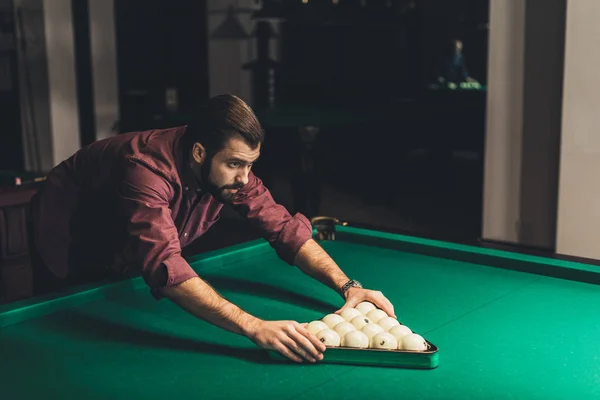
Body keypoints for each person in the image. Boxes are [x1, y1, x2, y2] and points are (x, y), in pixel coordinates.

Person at [29, 94, 396, 363]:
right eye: (235, 164)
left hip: (123, 247)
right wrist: (255, 326)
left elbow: (284, 228)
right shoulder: (144, 169)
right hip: (68, 237)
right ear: (200, 153)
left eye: (250, 165)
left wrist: (348, 286)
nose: (245, 178)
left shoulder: (232, 172)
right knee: (68, 341)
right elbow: (164, 264)